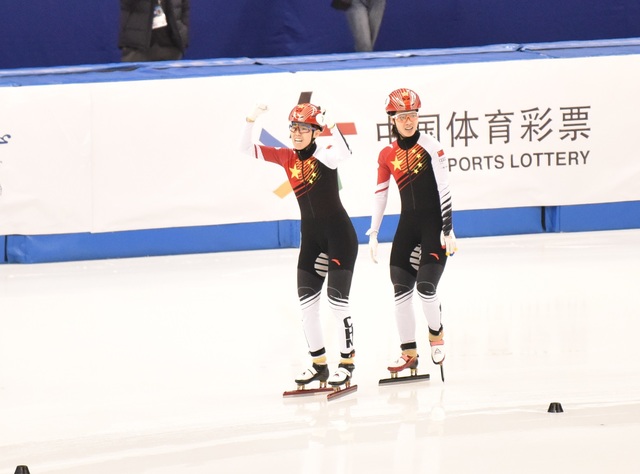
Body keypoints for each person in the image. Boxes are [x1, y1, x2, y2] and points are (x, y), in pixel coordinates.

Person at [240, 103, 358, 390]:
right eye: (294, 128)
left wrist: (332, 124)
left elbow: (346, 152)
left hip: (340, 237)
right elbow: (247, 149)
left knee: (337, 302)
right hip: (312, 240)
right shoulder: (285, 157)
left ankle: (346, 363)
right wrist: (250, 120)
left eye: (304, 128)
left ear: (315, 133)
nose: (297, 133)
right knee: (307, 306)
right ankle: (318, 365)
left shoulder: (325, 155)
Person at [367, 88, 457, 378]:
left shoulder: (432, 147)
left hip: (434, 228)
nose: (409, 121)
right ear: (392, 119)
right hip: (407, 227)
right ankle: (409, 354)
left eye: (414, 115)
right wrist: (374, 232)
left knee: (426, 288)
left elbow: (444, 187)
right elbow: (380, 194)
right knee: (400, 292)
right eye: (403, 116)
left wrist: (448, 228)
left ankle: (436, 335)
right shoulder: (386, 155)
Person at [119, 0, 190, 62]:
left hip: (171, 45)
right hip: (138, 47)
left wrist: (183, 31)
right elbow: (126, 4)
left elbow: (185, 8)